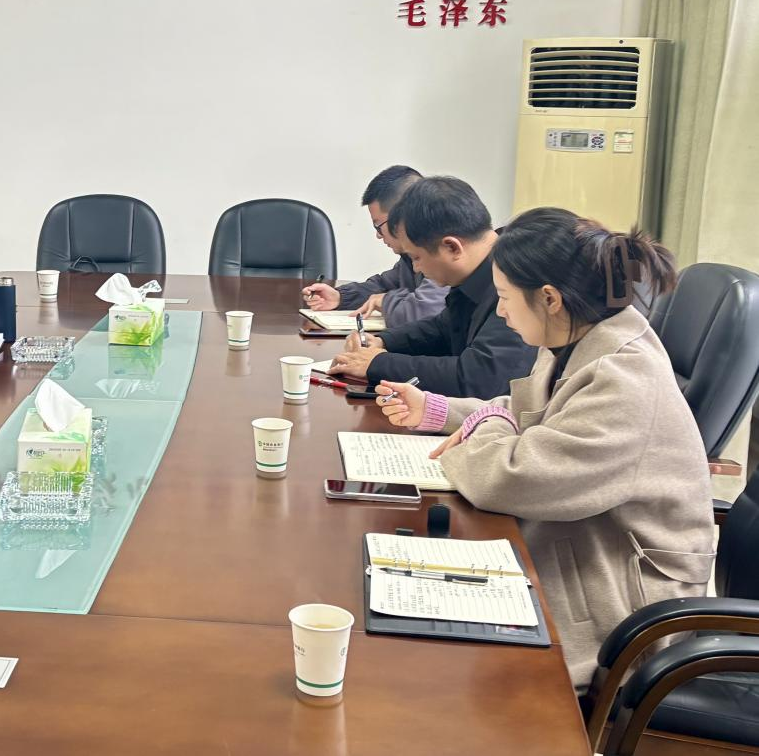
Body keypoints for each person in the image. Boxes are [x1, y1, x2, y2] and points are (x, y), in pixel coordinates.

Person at [375, 207, 715, 691]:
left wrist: (482, 428)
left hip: (626, 604)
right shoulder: (579, 335)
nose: (501, 312)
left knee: (441, 673)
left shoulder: (624, 378)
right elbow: (525, 412)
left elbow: (510, 477)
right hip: (580, 548)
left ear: (549, 298)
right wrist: (437, 410)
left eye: (504, 297)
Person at [329, 176, 536, 398]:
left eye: (416, 257)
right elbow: (444, 329)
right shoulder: (477, 272)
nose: (416, 268)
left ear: (452, 247)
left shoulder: (518, 279)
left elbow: (479, 379)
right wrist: (384, 341)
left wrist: (378, 363)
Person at [301, 165, 448, 327]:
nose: (378, 235)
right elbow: (384, 285)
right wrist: (340, 297)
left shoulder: (442, 250)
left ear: (403, 216)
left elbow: (424, 310)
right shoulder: (410, 256)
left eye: (378, 226)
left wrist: (385, 301)